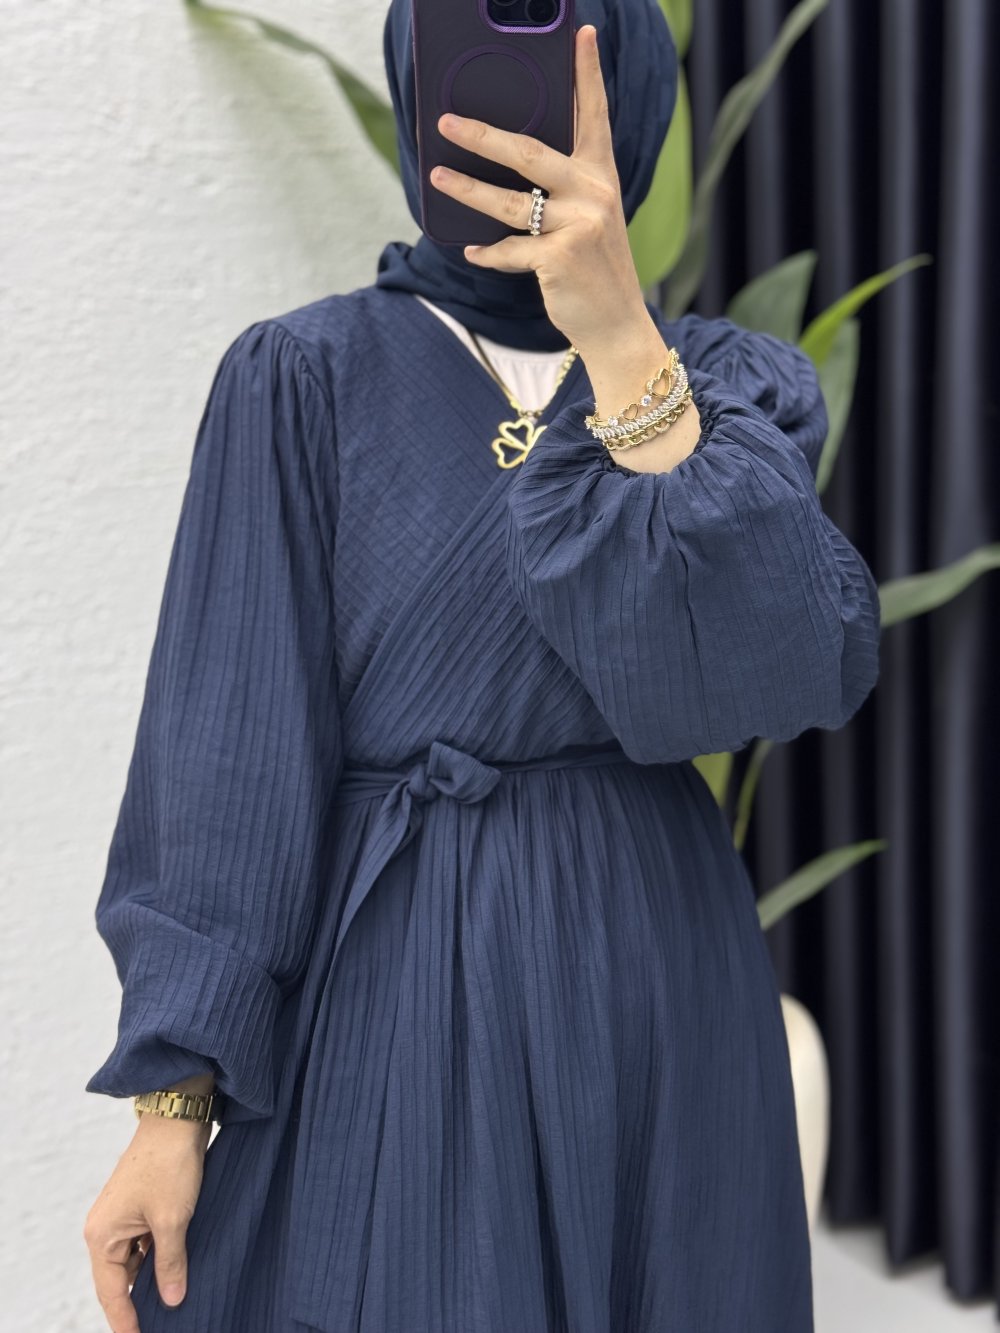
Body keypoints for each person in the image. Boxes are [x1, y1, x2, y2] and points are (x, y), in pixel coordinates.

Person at [81, 0, 881, 1329]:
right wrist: (172, 1103)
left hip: (656, 983)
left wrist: (620, 342)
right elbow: (224, 755)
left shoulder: (726, 389)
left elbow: (777, 671)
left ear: (631, 96)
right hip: (395, 992)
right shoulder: (303, 377)